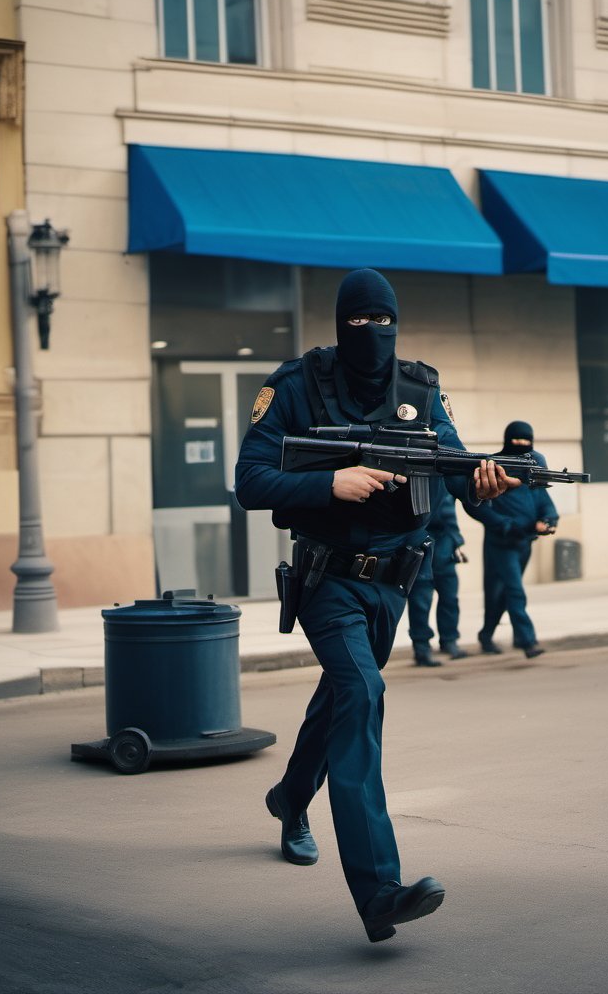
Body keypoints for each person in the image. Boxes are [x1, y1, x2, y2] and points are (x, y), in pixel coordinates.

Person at [235, 268, 516, 943]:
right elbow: (250, 480)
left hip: (394, 582)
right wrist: (331, 483)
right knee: (361, 692)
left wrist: (485, 484)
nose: (374, 337)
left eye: (384, 324)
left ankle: (289, 797)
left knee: (339, 698)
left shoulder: (419, 387)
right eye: (361, 324)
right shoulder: (298, 386)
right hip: (326, 579)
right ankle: (379, 891)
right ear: (340, 325)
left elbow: (451, 461)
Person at [466, 421, 558, 659]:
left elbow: (544, 501)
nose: (521, 446)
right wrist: (504, 525)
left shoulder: (532, 470)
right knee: (514, 591)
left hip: (524, 542)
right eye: (516, 440)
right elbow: (476, 506)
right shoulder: (494, 466)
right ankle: (528, 641)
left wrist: (548, 521)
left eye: (526, 441)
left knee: (505, 594)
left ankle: (486, 635)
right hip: (500, 544)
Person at [406, 481, 467, 666]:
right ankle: (421, 647)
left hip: (446, 547)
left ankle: (449, 640)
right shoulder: (417, 478)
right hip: (422, 544)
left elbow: (450, 516)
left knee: (450, 597)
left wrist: (456, 542)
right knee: (420, 600)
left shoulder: (448, 477)